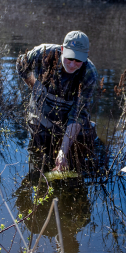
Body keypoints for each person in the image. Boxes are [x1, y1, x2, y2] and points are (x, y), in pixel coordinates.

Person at [16, 30, 98, 172]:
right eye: (69, 58)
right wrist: (34, 86)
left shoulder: (89, 73)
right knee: (39, 151)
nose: (72, 65)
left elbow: (78, 113)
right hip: (42, 112)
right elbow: (21, 65)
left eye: (78, 60)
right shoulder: (42, 53)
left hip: (69, 115)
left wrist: (62, 152)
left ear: (86, 56)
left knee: (86, 140)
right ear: (62, 50)